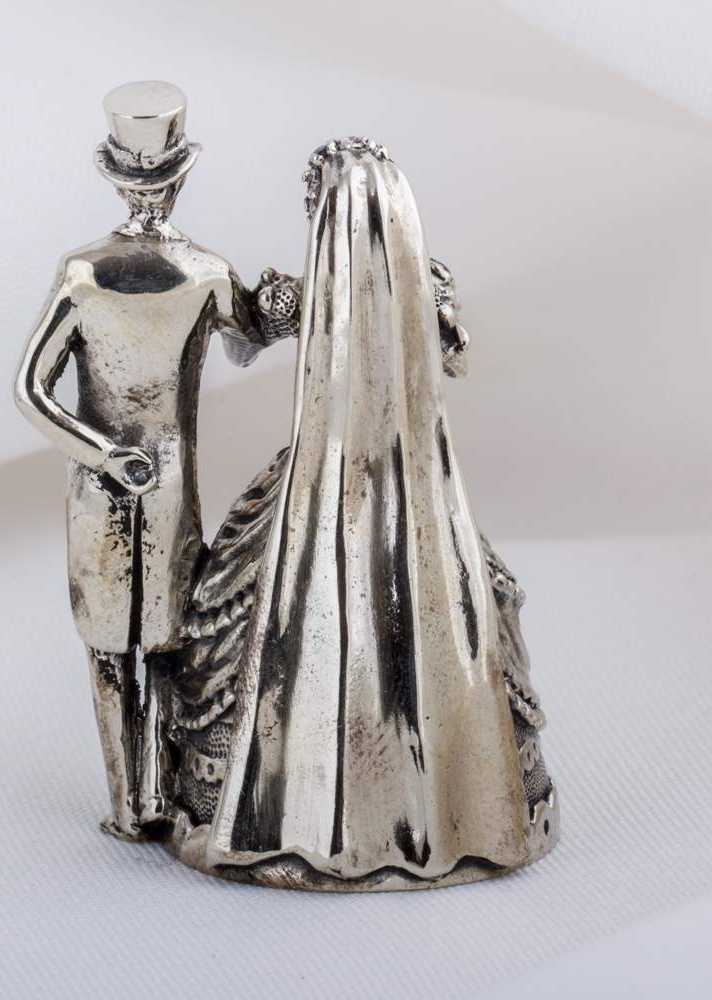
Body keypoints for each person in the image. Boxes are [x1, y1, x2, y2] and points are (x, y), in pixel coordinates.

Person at [204, 139, 535, 884]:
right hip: (422, 490)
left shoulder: (299, 293)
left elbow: (241, 343)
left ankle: (302, 815)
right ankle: (454, 811)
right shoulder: (430, 280)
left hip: (321, 486)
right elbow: (457, 356)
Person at [14, 82, 280, 839]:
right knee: (148, 644)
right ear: (180, 177)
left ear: (115, 176)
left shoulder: (89, 271)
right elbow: (249, 343)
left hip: (115, 488)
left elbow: (31, 390)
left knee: (132, 647)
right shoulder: (201, 272)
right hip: (149, 486)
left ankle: (137, 803)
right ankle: (147, 799)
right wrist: (281, 307)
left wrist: (102, 455)